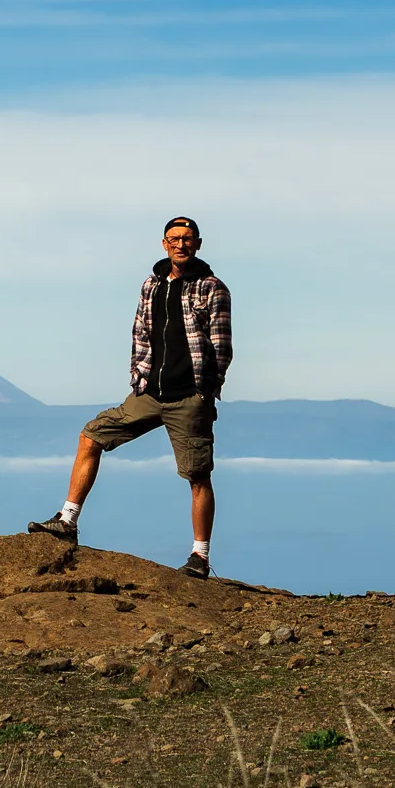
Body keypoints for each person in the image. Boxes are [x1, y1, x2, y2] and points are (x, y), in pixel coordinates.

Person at [28, 216, 231, 578]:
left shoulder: (212, 288)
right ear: (164, 244)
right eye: (173, 239)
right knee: (91, 436)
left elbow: (221, 347)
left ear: (198, 244)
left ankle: (200, 558)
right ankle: (67, 520)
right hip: (148, 394)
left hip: (189, 398)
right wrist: (139, 376)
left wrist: (204, 392)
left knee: (198, 475)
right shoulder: (151, 285)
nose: (180, 244)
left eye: (187, 239)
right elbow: (140, 331)